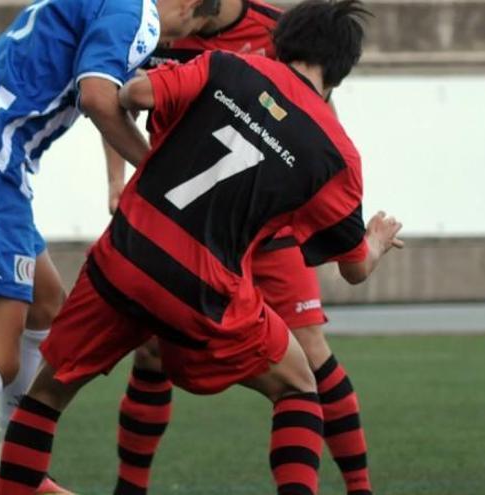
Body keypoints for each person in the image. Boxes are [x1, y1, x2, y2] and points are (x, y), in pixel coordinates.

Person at [0, 1, 401, 494]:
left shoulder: (222, 66)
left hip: (125, 253)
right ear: (339, 73)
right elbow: (355, 267)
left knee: (44, 399)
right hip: (205, 284)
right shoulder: (338, 154)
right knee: (298, 387)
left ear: (283, 41)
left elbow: (135, 92)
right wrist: (376, 242)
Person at [0, 0, 221, 493]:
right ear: (188, 4)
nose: (171, 41)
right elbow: (99, 99)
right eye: (192, 26)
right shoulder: (138, 14)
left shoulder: (107, 7)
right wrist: (159, 177)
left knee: (46, 309)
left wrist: (118, 178)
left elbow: (108, 92)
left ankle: (15, 477)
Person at [101, 1, 377, 494]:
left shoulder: (279, 31)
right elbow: (118, 93)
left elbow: (316, 115)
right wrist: (121, 178)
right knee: (150, 354)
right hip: (183, 224)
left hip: (266, 228)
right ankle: (130, 488)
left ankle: (360, 487)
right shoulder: (158, 23)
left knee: (312, 354)